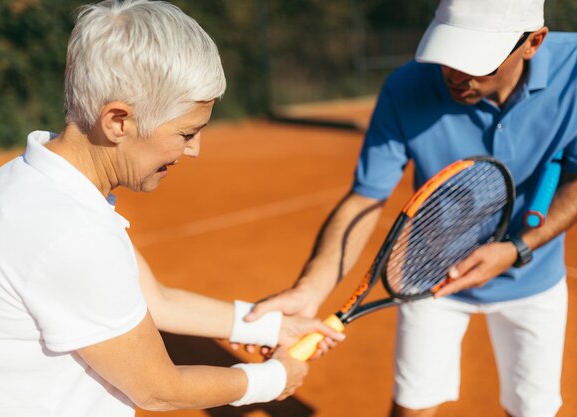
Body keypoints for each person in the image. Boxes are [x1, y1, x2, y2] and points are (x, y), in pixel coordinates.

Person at [0, 1, 344, 416]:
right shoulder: (68, 232)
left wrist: (274, 326)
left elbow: (157, 302)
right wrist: (275, 379)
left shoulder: (36, 180)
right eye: (186, 132)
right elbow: (158, 388)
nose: (194, 150)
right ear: (118, 120)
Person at [245, 0, 577, 416]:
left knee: (534, 410)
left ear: (533, 43)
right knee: (412, 407)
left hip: (533, 277)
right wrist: (311, 288)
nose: (454, 74)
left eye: (476, 62)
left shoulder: (576, 71)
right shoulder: (406, 88)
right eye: (448, 55)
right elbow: (365, 198)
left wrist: (518, 248)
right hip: (428, 272)